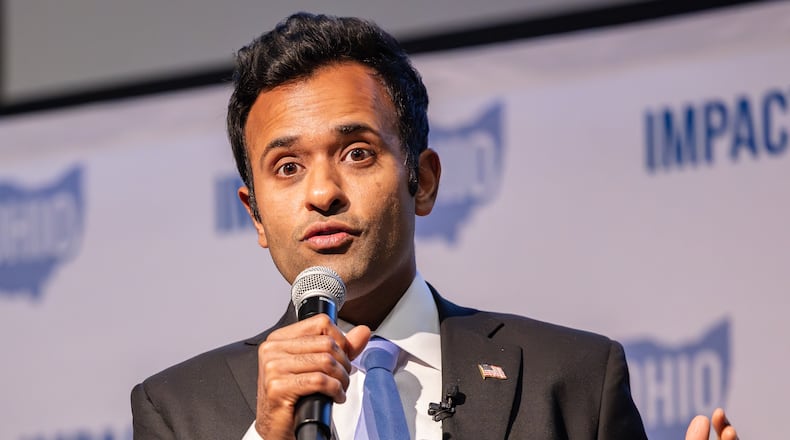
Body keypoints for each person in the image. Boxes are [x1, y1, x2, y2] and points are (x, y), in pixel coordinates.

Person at [131, 13, 739, 440]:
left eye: (357, 153)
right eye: (287, 167)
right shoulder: (181, 411)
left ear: (422, 180)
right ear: (256, 214)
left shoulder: (573, 376)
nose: (321, 193)